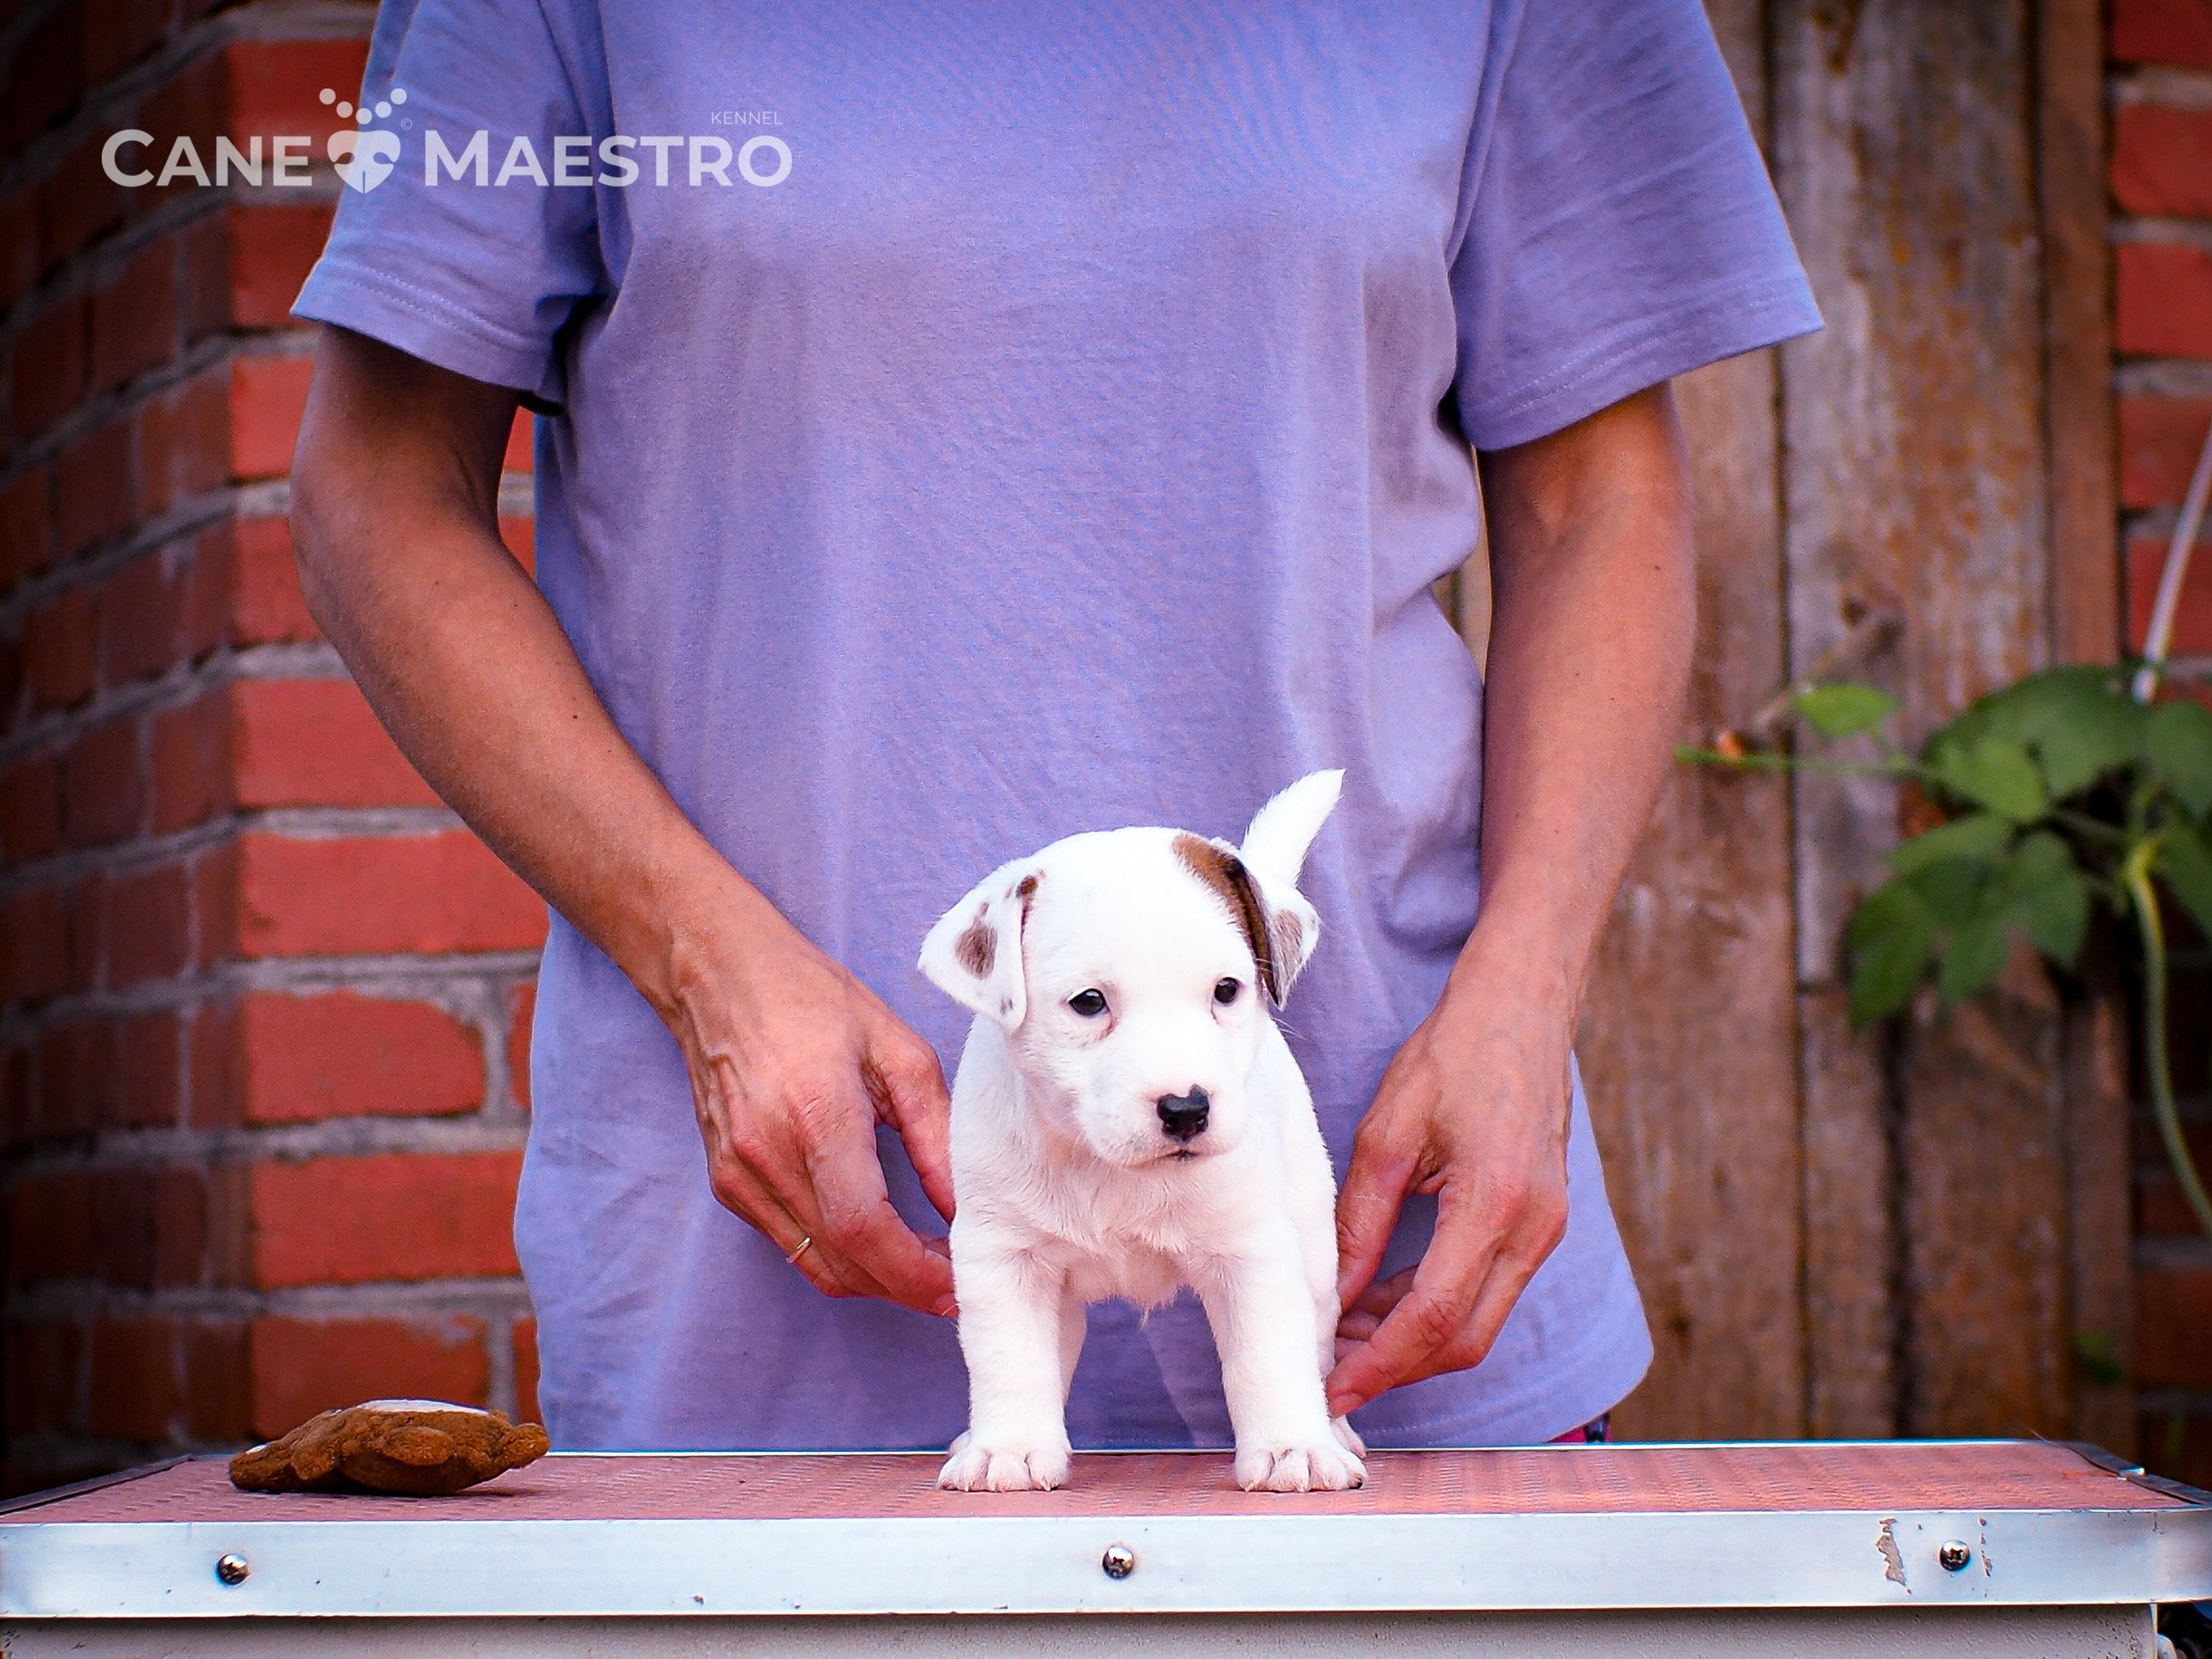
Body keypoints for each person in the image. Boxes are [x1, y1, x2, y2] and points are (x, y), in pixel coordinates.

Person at [289, 0, 1819, 1452]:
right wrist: (709, 972)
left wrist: (1525, 1003)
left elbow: (1592, 500)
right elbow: (379, 491)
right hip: (778, 1279)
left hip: (1378, 1235)